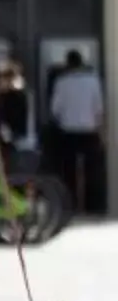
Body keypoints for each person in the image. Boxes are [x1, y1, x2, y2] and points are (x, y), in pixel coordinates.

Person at [50, 48, 106, 216]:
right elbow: (99, 109)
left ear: (67, 64)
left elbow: (55, 110)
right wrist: (103, 133)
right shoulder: (93, 81)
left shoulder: (61, 82)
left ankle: (71, 206)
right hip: (89, 131)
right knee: (92, 171)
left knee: (68, 171)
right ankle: (93, 206)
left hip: (68, 132)